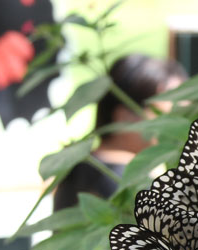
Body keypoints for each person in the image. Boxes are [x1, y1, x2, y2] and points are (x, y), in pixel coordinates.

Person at [53, 54, 187, 211]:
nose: (183, 126)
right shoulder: (120, 179)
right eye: (170, 117)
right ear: (125, 116)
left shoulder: (81, 167)